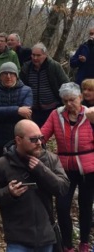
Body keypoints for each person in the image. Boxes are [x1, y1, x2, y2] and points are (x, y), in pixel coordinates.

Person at [0, 119, 70, 252]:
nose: (39, 143)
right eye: (33, 139)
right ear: (18, 140)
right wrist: (9, 193)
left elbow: (63, 188)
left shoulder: (51, 159)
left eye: (40, 138)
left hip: (45, 236)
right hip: (17, 239)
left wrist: (42, 170)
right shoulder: (1, 165)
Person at [40, 82, 94, 252]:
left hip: (88, 168)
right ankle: (67, 244)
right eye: (65, 101)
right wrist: (35, 142)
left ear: (80, 98)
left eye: (72, 100)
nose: (69, 104)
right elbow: (43, 134)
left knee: (86, 206)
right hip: (64, 168)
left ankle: (84, 242)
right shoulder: (56, 115)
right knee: (62, 207)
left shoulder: (90, 114)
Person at [0, 62, 33, 159]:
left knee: (18, 164)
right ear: (0, 76)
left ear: (16, 75)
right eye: (5, 74)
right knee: (0, 165)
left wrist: (0, 114)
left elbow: (26, 112)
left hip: (19, 135)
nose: (8, 77)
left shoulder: (27, 90)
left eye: (11, 73)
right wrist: (17, 110)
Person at [19, 42, 70, 127]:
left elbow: (66, 84)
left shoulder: (54, 66)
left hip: (52, 108)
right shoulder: (26, 67)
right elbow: (20, 85)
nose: (35, 58)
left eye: (38, 55)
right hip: (32, 109)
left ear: (45, 55)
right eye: (33, 55)